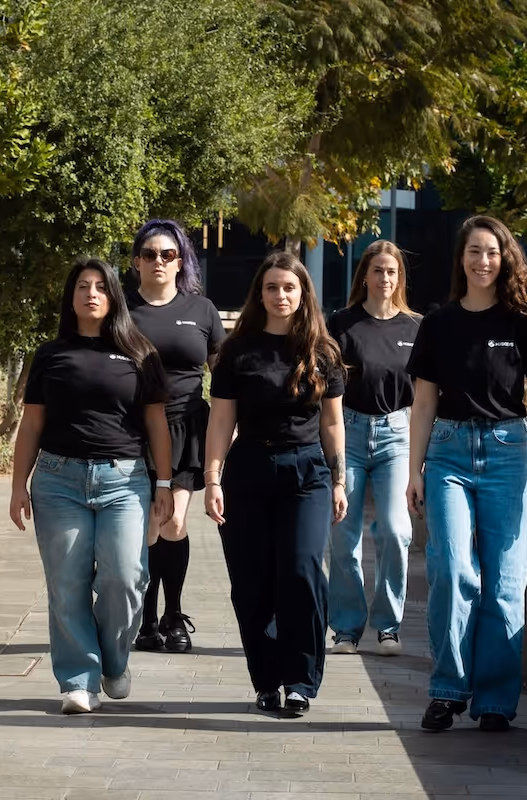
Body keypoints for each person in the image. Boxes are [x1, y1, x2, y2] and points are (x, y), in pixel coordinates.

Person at [405, 215, 527, 733]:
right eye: (473, 252)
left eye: (491, 252)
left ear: (505, 259)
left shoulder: (522, 322)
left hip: (508, 453)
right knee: (452, 569)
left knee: (504, 584)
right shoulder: (438, 324)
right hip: (449, 454)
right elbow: (424, 403)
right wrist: (415, 471)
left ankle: (495, 700)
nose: (482, 261)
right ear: (461, 260)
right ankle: (448, 689)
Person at [9, 258, 175, 715]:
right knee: (67, 585)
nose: (91, 293)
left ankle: (114, 660)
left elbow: (157, 425)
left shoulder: (141, 352)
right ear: (72, 297)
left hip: (125, 482)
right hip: (58, 481)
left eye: (100, 286)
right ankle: (78, 680)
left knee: (126, 578)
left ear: (113, 296)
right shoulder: (50, 355)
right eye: (82, 286)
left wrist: (164, 481)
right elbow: (32, 424)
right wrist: (18, 485)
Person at [204, 251, 347, 714]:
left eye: (289, 287)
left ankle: (301, 681)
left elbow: (332, 423)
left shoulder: (323, 352)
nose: (280, 295)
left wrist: (339, 480)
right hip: (247, 472)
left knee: (302, 572)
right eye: (272, 287)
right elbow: (222, 420)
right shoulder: (237, 352)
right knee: (251, 583)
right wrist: (212, 478)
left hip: (306, 474)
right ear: (259, 294)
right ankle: (266, 680)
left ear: (303, 293)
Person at [127, 219, 226, 654]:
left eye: (168, 254)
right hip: (134, 430)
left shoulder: (200, 309)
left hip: (188, 427)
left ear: (180, 260)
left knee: (175, 521)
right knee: (148, 525)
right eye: (150, 254)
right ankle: (146, 620)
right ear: (137, 262)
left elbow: (223, 375)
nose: (159, 261)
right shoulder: (122, 310)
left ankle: (173, 614)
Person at [327, 240, 419, 657]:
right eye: (378, 271)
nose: (385, 279)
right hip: (349, 431)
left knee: (396, 531)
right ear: (364, 274)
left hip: (397, 435)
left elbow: (424, 396)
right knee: (344, 536)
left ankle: (388, 626)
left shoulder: (415, 328)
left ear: (400, 278)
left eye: (392, 272)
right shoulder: (342, 324)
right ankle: (346, 628)